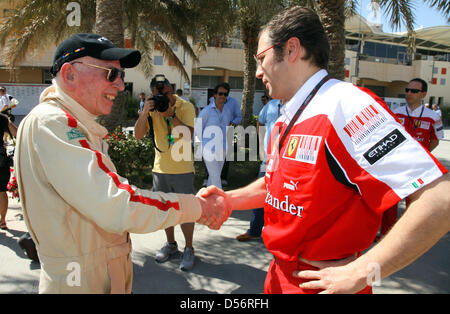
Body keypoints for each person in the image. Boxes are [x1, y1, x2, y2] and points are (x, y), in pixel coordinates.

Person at [199, 6, 450, 294]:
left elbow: (440, 199)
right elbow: (278, 185)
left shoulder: (346, 105)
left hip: (324, 284)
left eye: (261, 58)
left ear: (291, 49)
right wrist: (228, 199)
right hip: (278, 276)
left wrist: (362, 272)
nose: (257, 72)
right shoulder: (286, 116)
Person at [14, 33, 230, 294]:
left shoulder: (75, 123)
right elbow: (117, 204)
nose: (119, 86)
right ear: (70, 74)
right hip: (79, 281)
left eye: (122, 76)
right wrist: (198, 206)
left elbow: (187, 134)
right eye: (110, 74)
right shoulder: (53, 123)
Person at [134, 75, 198, 271]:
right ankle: (171, 245)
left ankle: (189, 248)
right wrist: (145, 113)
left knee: (186, 212)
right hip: (159, 169)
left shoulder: (185, 107)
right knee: (165, 211)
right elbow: (137, 135)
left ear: (172, 89)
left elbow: (188, 136)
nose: (164, 97)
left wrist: (170, 114)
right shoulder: (151, 109)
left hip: (182, 169)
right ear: (153, 94)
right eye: (159, 94)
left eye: (167, 93)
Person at [378, 79, 446, 239]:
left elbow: (435, 139)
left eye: (414, 91)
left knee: (414, 201)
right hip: (395, 165)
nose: (409, 93)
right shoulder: (397, 112)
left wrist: (422, 155)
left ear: (423, 94)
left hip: (418, 166)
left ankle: (410, 236)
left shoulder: (433, 116)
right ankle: (386, 234)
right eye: (407, 90)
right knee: (391, 201)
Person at [236, 97, 282, 241]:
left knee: (284, 197)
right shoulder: (271, 105)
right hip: (268, 159)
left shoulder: (297, 105)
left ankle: (280, 235)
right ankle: (255, 230)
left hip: (287, 160)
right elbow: (260, 121)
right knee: (261, 194)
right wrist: (262, 142)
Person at [196, 83, 235, 190]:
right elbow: (197, 130)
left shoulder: (227, 112)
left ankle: (207, 199)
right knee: (215, 177)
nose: (223, 96)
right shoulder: (206, 111)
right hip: (208, 149)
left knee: (214, 177)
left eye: (225, 94)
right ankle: (221, 200)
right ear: (215, 95)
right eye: (220, 93)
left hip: (222, 148)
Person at [0, 113, 17, 230]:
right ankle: (2, 221)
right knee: (1, 190)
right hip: (0, 159)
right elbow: (16, 133)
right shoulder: (2, 119)